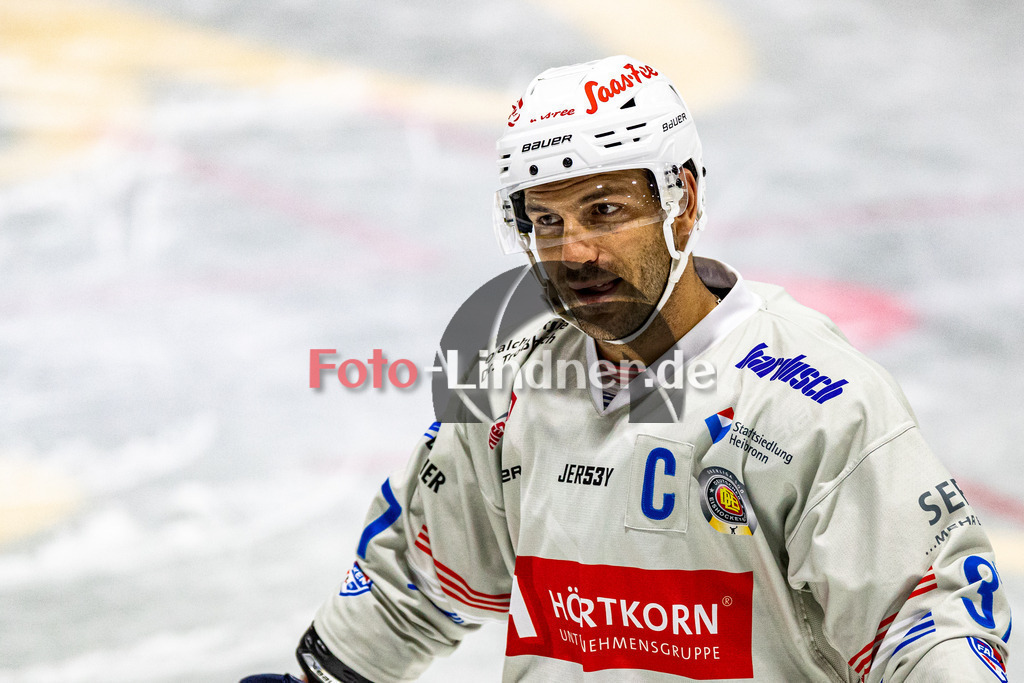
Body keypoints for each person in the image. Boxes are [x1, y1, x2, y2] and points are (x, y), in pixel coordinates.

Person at [243, 56, 1011, 682]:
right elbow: (412, 585)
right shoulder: (512, 388)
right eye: (548, 221)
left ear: (683, 199)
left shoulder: (813, 402)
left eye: (604, 210)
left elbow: (922, 630)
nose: (573, 251)